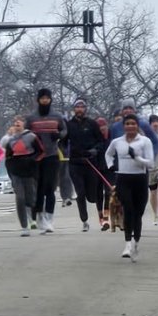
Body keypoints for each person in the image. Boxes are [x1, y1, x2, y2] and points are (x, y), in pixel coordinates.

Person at [104, 112, 154, 260]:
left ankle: (136, 242)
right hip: (123, 179)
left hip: (140, 178)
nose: (130, 126)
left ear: (137, 126)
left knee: (138, 213)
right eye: (127, 124)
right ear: (123, 126)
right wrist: (111, 166)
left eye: (133, 124)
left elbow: (151, 163)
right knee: (128, 209)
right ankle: (127, 244)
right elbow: (108, 154)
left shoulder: (145, 141)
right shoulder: (117, 142)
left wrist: (137, 158)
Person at [26, 87, 67, 233]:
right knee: (38, 189)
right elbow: (25, 134)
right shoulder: (31, 118)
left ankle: (49, 218)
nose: (45, 100)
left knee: (50, 188)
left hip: (52, 156)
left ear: (50, 100)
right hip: (37, 157)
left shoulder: (57, 116)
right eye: (42, 98)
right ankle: (40, 216)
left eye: (47, 98)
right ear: (38, 100)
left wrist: (59, 135)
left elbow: (64, 130)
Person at [65, 98, 104, 232]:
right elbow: (62, 142)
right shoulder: (69, 125)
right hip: (75, 163)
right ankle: (84, 220)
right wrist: (66, 151)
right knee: (80, 193)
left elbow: (101, 142)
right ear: (74, 109)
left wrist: (94, 151)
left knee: (91, 196)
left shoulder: (92, 124)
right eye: (77, 107)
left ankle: (98, 210)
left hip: (90, 163)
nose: (79, 109)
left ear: (85, 109)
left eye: (82, 107)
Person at [4, 114, 43, 235]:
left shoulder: (31, 137)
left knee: (31, 199)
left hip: (29, 172)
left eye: (19, 121)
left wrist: (33, 161)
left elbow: (41, 152)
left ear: (24, 123)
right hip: (16, 172)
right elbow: (8, 157)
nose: (17, 123)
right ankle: (24, 227)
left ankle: (36, 218)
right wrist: (11, 170)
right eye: (15, 121)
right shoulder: (10, 140)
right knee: (20, 198)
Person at [94, 116, 115, 230]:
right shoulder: (94, 138)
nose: (102, 129)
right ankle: (100, 217)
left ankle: (106, 218)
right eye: (99, 127)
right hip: (96, 168)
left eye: (103, 126)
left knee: (109, 192)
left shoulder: (112, 137)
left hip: (109, 169)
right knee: (98, 193)